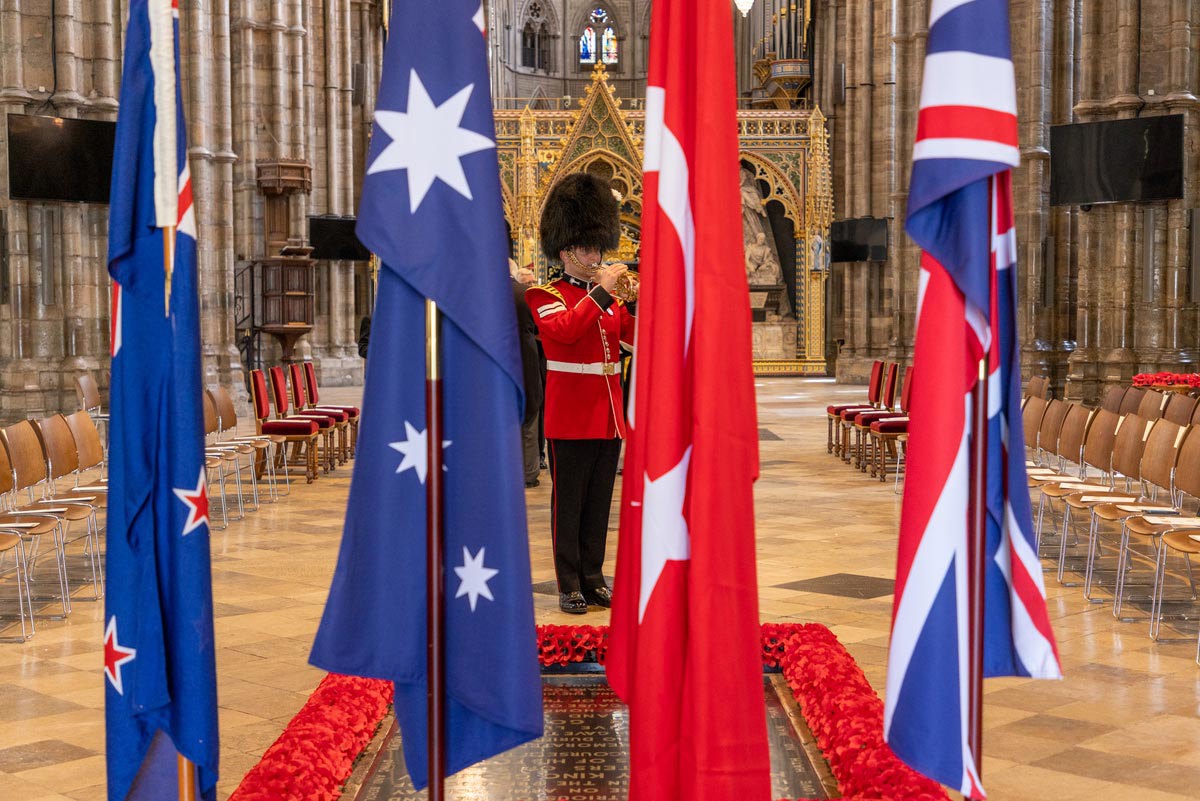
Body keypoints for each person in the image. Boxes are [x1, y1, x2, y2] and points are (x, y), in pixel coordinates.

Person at [525, 173, 634, 615]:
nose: (596, 256)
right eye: (587, 249)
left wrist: (650, 301)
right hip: (570, 415)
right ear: (567, 251)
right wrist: (605, 294)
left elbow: (635, 339)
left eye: (598, 248)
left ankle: (594, 576)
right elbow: (564, 333)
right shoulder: (544, 294)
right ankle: (568, 581)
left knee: (598, 504)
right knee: (567, 506)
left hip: (608, 414)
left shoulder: (608, 301)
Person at [512, 267, 543, 487]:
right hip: (527, 356)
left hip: (500, 358)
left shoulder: (484, 293)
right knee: (530, 419)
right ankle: (529, 472)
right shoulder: (525, 295)